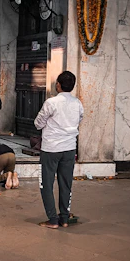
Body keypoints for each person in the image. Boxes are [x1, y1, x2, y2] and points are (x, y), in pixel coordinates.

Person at [34, 71, 84, 229]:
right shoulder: (78, 103)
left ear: (59, 85)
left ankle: (52, 219)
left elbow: (38, 123)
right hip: (69, 148)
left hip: (51, 148)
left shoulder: (51, 102)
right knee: (66, 183)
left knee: (46, 184)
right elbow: (80, 119)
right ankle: (64, 218)